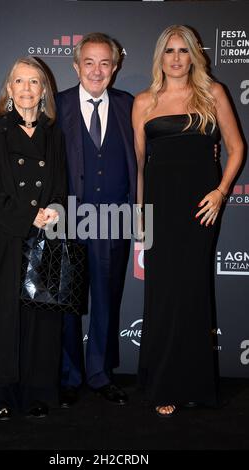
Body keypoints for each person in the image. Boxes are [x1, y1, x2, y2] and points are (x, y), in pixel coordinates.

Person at [133, 25, 243, 417]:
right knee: (162, 296)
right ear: (159, 57)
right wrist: (140, 214)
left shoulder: (213, 94)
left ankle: (194, 384)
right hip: (161, 210)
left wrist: (221, 191)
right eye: (169, 51)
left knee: (193, 292)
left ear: (194, 54)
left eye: (183, 51)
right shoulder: (144, 102)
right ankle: (163, 384)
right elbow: (141, 166)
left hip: (201, 207)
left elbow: (236, 147)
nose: (176, 59)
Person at [0, 57, 67, 420]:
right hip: (5, 239)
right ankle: (0, 395)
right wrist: (26, 216)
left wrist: (52, 209)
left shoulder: (55, 135)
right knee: (2, 318)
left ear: (43, 91)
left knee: (39, 319)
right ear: (9, 90)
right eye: (19, 81)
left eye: (33, 82)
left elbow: (61, 186)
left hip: (43, 239)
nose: (26, 89)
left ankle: (36, 393)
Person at [56, 32, 137, 407]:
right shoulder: (57, 106)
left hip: (117, 218)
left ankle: (101, 374)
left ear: (116, 67)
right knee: (69, 303)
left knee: (107, 299)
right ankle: (69, 375)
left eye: (105, 62)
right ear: (76, 66)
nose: (97, 70)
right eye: (89, 62)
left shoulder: (128, 104)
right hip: (68, 218)